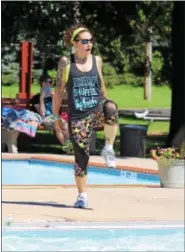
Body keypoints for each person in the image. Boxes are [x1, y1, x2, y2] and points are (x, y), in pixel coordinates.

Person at [53, 24, 118, 208]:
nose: (89, 44)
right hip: (78, 117)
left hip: (96, 110)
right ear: (75, 43)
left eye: (91, 41)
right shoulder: (66, 63)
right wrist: (55, 117)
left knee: (112, 107)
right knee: (82, 158)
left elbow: (102, 85)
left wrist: (105, 103)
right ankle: (82, 195)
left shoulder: (97, 60)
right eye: (84, 41)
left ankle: (109, 148)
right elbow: (58, 91)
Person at [30, 75, 71, 151]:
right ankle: (68, 147)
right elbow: (42, 114)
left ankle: (68, 146)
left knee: (65, 126)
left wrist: (53, 99)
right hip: (45, 118)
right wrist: (41, 98)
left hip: (54, 116)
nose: (50, 84)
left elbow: (54, 112)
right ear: (42, 83)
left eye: (51, 82)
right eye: (48, 82)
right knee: (58, 126)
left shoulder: (53, 96)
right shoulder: (36, 98)